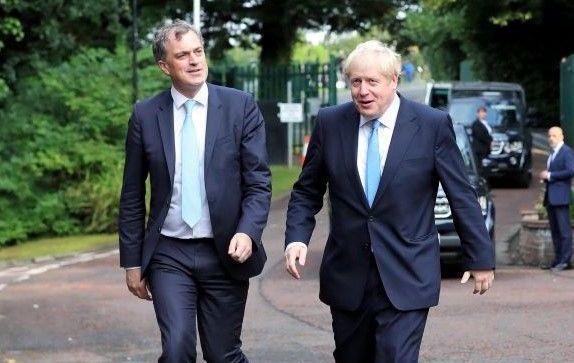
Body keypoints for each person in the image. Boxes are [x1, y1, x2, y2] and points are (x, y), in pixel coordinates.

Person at [284, 40, 495, 363]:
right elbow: (307, 190)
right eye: (356, 82)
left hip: (407, 271)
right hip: (348, 275)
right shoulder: (330, 122)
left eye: (372, 82)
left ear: (394, 81)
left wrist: (479, 257)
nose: (363, 91)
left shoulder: (431, 124)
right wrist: (297, 237)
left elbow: (461, 194)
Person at [118, 20, 271, 362]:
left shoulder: (239, 106)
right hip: (169, 254)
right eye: (182, 55)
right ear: (164, 66)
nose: (194, 61)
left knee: (223, 354)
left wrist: (248, 232)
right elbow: (131, 194)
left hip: (225, 252)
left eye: (198, 51)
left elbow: (258, 181)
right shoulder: (145, 115)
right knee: (176, 351)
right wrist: (131, 262)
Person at [539, 126, 574, 271]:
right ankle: (558, 259)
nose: (550, 138)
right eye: (549, 136)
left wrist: (550, 176)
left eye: (554, 135)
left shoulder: (566, 151)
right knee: (555, 231)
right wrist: (546, 178)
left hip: (561, 197)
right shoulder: (553, 153)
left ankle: (565, 260)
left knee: (564, 231)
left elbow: (571, 170)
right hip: (551, 197)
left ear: (561, 136)